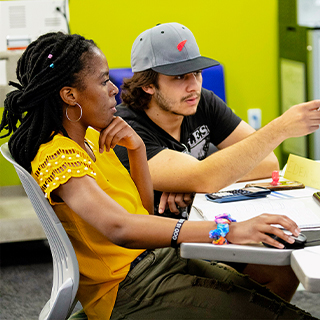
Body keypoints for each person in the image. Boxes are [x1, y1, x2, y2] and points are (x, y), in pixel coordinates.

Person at [1, 32, 319, 320]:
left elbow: (142, 212)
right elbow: (121, 227)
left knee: (273, 288)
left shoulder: (95, 137)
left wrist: (137, 149)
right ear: (70, 96)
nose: (114, 89)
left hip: (156, 261)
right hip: (131, 289)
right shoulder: (58, 155)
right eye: (102, 82)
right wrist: (228, 230)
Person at [114, 22, 320, 218]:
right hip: (157, 248)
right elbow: (206, 177)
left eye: (197, 73)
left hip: (200, 226)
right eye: (179, 77)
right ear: (148, 85)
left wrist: (192, 182)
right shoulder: (126, 130)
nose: (193, 86)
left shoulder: (201, 101)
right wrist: (280, 128)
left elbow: (268, 161)